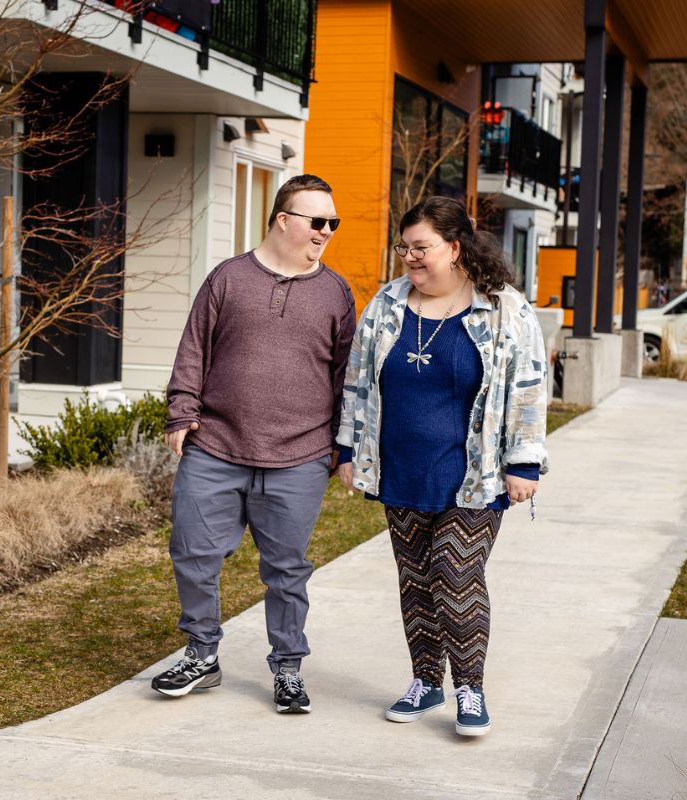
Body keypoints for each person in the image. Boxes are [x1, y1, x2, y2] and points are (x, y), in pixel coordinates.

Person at [337, 196, 548, 737]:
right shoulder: (386, 304)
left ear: (455, 249)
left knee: (454, 576)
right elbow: (358, 381)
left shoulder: (504, 309)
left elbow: (528, 389)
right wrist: (347, 449)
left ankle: (470, 690)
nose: (409, 257)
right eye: (404, 247)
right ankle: (426, 681)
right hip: (402, 468)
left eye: (421, 247)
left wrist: (524, 461)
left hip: (472, 472)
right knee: (415, 581)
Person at [152, 174, 356, 714]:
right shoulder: (228, 278)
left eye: (333, 222)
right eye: (318, 221)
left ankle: (287, 668)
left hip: (299, 456)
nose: (327, 231)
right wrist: (181, 412)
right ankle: (202, 654)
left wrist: (343, 445)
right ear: (284, 220)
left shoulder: (335, 292)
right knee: (193, 555)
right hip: (215, 446)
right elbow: (193, 347)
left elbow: (344, 374)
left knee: (287, 570)